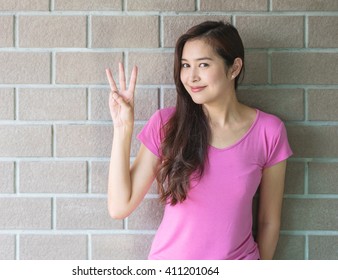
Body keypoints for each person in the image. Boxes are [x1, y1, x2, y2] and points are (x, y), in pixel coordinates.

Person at [105, 21, 292, 260]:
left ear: (234, 68)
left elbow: (268, 222)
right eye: (185, 65)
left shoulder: (269, 131)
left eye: (203, 64)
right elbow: (120, 206)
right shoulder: (166, 124)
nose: (191, 77)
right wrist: (122, 128)